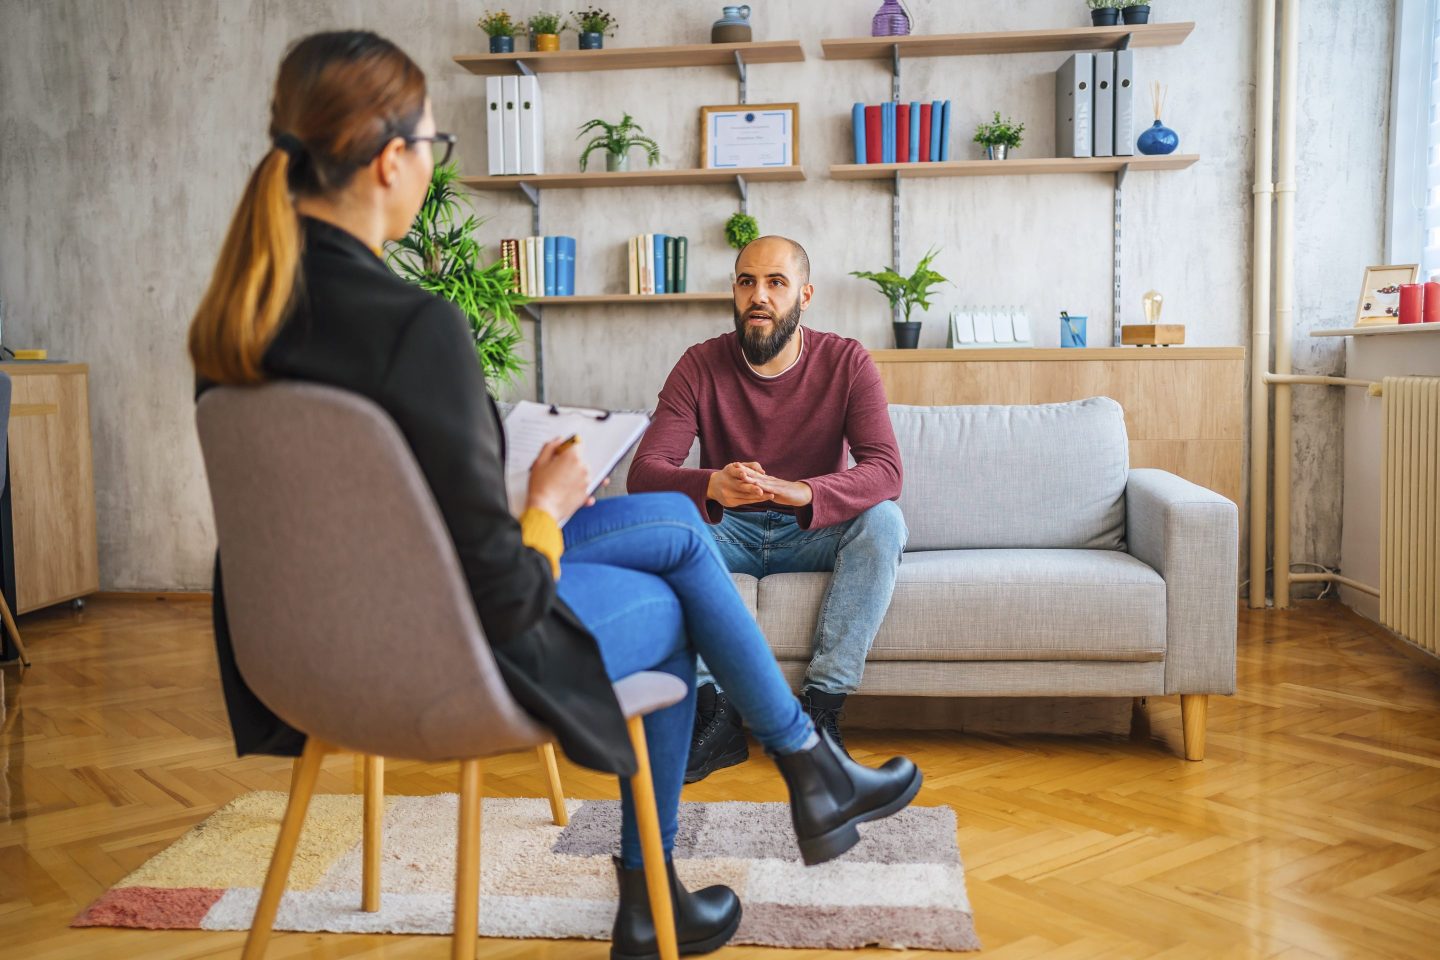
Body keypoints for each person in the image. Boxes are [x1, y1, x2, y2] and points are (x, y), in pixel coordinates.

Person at [188, 32, 922, 960]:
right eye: (433, 146)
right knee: (669, 595)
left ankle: (797, 776)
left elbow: (376, 516)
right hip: (444, 653)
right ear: (389, 160)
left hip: (305, 656)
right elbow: (500, 582)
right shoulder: (415, 329)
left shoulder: (238, 318)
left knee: (675, 534)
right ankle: (715, 842)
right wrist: (541, 498)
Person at [628, 235, 909, 782]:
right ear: (734, 292)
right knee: (664, 527)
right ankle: (717, 717)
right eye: (746, 282)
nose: (759, 295)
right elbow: (646, 472)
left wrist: (807, 492)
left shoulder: (847, 361)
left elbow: (886, 470)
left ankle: (820, 716)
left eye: (776, 283)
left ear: (804, 295)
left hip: (811, 533)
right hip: (726, 530)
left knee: (884, 520)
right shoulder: (699, 364)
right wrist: (712, 484)